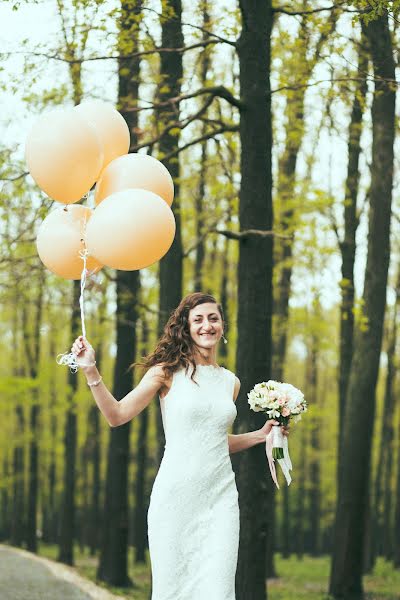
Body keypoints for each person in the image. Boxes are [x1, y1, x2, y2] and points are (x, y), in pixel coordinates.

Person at [71, 291, 288, 600]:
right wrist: (91, 369)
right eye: (198, 319)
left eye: (213, 318)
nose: (207, 325)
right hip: (175, 499)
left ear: (222, 325)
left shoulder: (231, 382)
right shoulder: (165, 372)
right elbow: (116, 415)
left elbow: (211, 441)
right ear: (186, 327)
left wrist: (259, 435)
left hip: (221, 501)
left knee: (219, 591)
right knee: (173, 592)